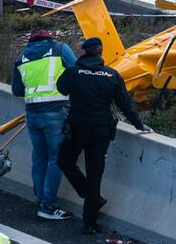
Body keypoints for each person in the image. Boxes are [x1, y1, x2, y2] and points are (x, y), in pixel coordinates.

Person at [57, 38, 152, 233]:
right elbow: (125, 104)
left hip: (77, 128)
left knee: (64, 161)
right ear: (100, 54)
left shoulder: (73, 72)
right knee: (95, 174)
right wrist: (139, 124)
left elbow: (61, 88)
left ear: (84, 52)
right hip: (102, 130)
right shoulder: (111, 75)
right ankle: (89, 222)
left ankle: (88, 194)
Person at [11, 29, 77, 220]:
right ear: (49, 37)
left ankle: (41, 200)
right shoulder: (59, 48)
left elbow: (17, 90)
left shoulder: (22, 57)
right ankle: (48, 205)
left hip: (32, 115)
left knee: (39, 159)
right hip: (55, 112)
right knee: (56, 159)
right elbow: (77, 71)